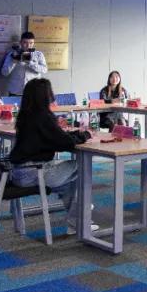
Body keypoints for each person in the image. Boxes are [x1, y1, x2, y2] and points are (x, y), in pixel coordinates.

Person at [8, 78, 91, 235]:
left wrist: (74, 134)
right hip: (34, 173)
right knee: (82, 167)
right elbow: (66, 143)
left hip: (18, 172)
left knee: (69, 183)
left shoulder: (26, 115)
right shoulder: (44, 116)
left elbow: (54, 138)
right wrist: (85, 135)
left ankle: (78, 222)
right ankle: (81, 217)